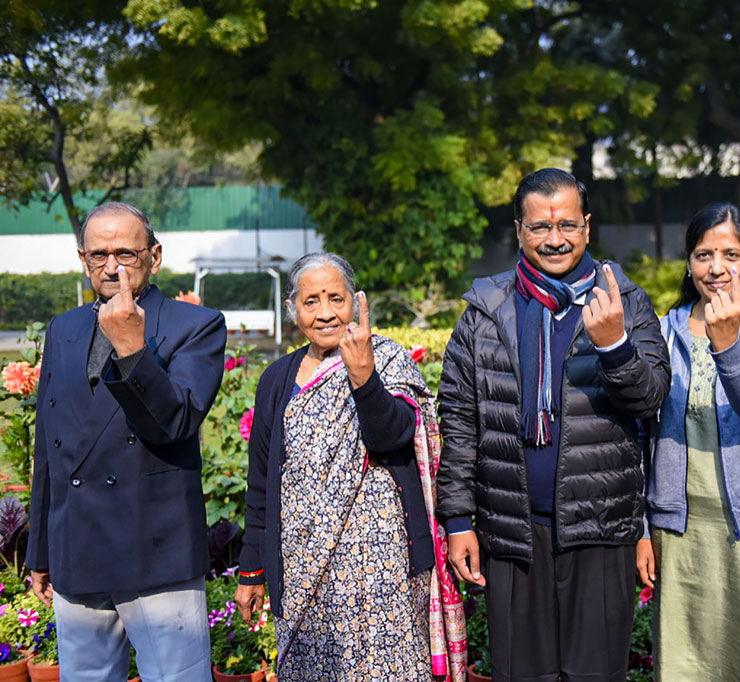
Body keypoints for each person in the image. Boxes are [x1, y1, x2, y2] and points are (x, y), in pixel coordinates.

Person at [437, 168, 670, 682]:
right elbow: (458, 420)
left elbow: (650, 399)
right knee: (522, 673)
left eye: (567, 225)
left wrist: (614, 345)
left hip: (600, 528)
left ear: (587, 226)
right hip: (513, 532)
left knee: (595, 673)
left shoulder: (624, 303)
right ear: (519, 231)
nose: (555, 239)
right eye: (540, 227)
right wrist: (457, 520)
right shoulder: (486, 311)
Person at [235, 252, 465, 680]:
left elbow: (392, 436)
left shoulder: (388, 360)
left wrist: (364, 378)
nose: (325, 313)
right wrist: (252, 567)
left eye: (336, 299)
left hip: (384, 570)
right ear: (292, 310)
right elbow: (262, 481)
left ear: (355, 303)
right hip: (305, 568)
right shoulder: (276, 379)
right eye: (311, 302)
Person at [26, 202, 226, 681]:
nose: (111, 267)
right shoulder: (63, 328)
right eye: (98, 255)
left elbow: (175, 421)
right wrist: (41, 551)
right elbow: (48, 448)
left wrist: (132, 347)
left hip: (157, 551)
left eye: (125, 253)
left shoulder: (195, 325)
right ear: (83, 259)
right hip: (77, 548)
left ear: (154, 257)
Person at [636, 202, 740, 681]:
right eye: (703, 254)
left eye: (730, 253)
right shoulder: (662, 332)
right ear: (689, 264)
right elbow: (640, 432)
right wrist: (643, 529)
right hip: (681, 528)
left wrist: (727, 342)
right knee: (686, 658)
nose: (716, 267)